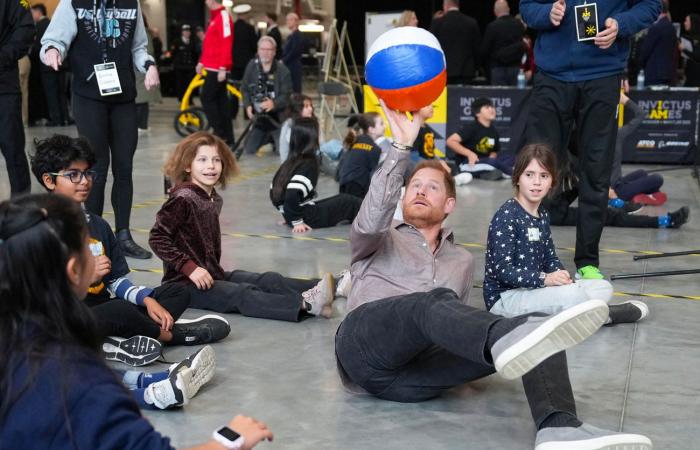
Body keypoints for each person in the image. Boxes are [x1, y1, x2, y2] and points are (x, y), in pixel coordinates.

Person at [334, 102, 653, 449]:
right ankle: (509, 335)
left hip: (415, 377)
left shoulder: (460, 260)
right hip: (364, 349)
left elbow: (450, 324)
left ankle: (558, 425)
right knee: (436, 304)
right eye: (415, 186)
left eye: (433, 187)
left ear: (450, 205)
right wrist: (400, 148)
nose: (421, 191)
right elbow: (372, 216)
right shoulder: (378, 237)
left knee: (534, 324)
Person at [0, 193, 274, 450]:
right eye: (87, 248)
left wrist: (146, 299)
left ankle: (146, 374)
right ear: (74, 270)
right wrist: (229, 440)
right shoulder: (81, 381)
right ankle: (163, 345)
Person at [30, 134, 231, 366]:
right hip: (64, 318)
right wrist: (84, 277)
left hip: (102, 309)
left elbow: (116, 280)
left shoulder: (98, 225)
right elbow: (37, 297)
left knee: (177, 292)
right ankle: (172, 335)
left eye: (87, 173)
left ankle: (118, 340)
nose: (84, 181)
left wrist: (147, 301)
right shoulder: (39, 228)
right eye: (73, 175)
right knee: (120, 310)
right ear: (49, 180)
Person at [520, 0, 660, 280]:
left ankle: (587, 263)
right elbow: (527, 6)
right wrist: (545, 14)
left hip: (602, 76)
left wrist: (621, 24)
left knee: (596, 171)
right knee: (538, 166)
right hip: (552, 76)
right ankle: (532, 258)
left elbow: (650, 5)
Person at [150, 131, 338, 321]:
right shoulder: (183, 198)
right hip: (184, 284)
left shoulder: (212, 198)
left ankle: (331, 286)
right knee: (242, 294)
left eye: (216, 160)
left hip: (212, 273)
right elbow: (157, 238)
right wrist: (190, 268)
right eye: (202, 160)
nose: (211, 166)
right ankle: (309, 305)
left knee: (267, 280)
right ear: (187, 166)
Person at [40, 0, 161, 259]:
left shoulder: (131, 4)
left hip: (123, 97)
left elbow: (139, 47)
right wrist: (52, 50)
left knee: (124, 167)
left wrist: (149, 65)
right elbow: (52, 40)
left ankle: (123, 235)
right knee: (97, 168)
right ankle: (92, 237)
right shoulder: (74, 3)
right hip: (88, 95)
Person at [484, 144, 649, 324]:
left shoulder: (542, 215)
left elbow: (549, 256)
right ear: (517, 178)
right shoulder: (507, 216)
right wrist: (546, 279)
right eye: (529, 175)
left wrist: (560, 274)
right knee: (572, 294)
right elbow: (503, 271)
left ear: (552, 182)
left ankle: (572, 312)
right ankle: (605, 316)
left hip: (534, 289)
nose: (536, 182)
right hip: (505, 299)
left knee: (602, 287)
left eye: (544, 176)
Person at [270, 117, 362, 233]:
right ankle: (379, 217)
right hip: (309, 217)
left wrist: (288, 215)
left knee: (341, 199)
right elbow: (291, 194)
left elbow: (274, 190)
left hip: (297, 212)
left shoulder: (291, 160)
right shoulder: (309, 163)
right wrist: (296, 221)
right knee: (348, 201)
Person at [0, 0, 34, 197]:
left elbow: (25, 30)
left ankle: (22, 208)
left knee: (12, 149)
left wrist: (3, 57)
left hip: (3, 86)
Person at [611, 91, 666, 205]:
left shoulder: (616, 134)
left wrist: (624, 99)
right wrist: (625, 101)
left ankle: (643, 195)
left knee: (641, 173)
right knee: (657, 178)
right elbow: (641, 114)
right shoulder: (614, 135)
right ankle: (644, 195)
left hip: (618, 183)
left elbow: (642, 114)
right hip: (615, 191)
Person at [241, 36, 292, 155]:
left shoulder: (283, 71)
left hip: (277, 119)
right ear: (258, 51)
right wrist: (248, 105)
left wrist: (274, 103)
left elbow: (287, 95)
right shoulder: (251, 66)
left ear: (274, 52)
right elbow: (244, 88)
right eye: (262, 49)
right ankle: (267, 138)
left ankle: (274, 138)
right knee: (249, 149)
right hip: (259, 119)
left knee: (282, 151)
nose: (265, 53)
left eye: (269, 50)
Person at [446, 97, 514, 179]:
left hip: (487, 161)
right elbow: (450, 141)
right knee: (493, 163)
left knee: (511, 157)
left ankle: (496, 172)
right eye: (487, 107)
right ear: (477, 113)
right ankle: (512, 173)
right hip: (469, 163)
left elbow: (494, 151)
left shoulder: (493, 131)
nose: (491, 109)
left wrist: (493, 155)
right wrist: (469, 154)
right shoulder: (471, 128)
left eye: (492, 107)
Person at [196, 0, 235, 146]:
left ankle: (220, 133)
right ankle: (227, 139)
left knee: (207, 97)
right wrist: (202, 61)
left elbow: (227, 42)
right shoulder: (214, 17)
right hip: (212, 66)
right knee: (221, 102)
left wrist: (223, 67)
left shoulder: (223, 16)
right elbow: (210, 43)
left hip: (217, 69)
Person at [31, 3, 70, 127]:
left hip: (47, 66)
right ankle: (65, 118)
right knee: (61, 92)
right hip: (61, 64)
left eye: (32, 12)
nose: (32, 16)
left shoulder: (40, 26)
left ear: (38, 12)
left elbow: (38, 47)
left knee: (51, 94)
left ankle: (56, 119)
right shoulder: (52, 23)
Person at [430, 0, 480, 85]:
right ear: (457, 5)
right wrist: (476, 67)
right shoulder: (471, 23)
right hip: (466, 72)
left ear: (445, 5)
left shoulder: (437, 23)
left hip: (444, 72)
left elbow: (432, 49)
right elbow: (477, 49)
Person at [337, 112, 384, 198]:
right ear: (371, 129)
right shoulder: (374, 149)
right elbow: (373, 176)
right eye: (381, 124)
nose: (384, 126)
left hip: (344, 183)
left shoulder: (354, 142)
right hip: (358, 186)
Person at [481, 0, 526, 86]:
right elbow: (523, 45)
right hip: (516, 69)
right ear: (508, 9)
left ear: (495, 11)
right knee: (516, 97)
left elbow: (485, 50)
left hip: (497, 70)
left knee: (499, 98)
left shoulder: (492, 27)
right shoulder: (518, 25)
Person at [639, 1, 676, 86]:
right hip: (667, 72)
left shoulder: (656, 28)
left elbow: (645, 51)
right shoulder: (672, 27)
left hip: (654, 72)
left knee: (651, 98)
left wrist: (640, 64)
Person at [231, 4, 257, 120]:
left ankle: (232, 113)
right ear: (245, 15)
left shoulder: (232, 28)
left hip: (234, 64)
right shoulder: (250, 29)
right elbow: (254, 46)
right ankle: (248, 113)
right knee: (248, 89)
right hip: (247, 64)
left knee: (233, 89)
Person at [278, 93, 314, 162]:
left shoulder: (314, 122)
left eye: (311, 106)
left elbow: (321, 144)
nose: (310, 109)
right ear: (298, 109)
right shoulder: (289, 125)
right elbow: (284, 149)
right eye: (306, 106)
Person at [171, 24, 199, 101]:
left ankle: (190, 100)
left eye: (188, 31)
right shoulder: (177, 42)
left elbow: (195, 54)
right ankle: (181, 99)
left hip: (190, 67)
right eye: (185, 31)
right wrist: (175, 64)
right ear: (182, 32)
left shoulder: (193, 42)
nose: (187, 33)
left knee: (190, 84)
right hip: (180, 67)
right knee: (180, 84)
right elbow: (173, 54)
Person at [283, 12, 304, 94]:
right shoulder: (291, 36)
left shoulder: (297, 35)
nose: (287, 22)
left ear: (296, 21)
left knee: (295, 90)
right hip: (289, 66)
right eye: (287, 20)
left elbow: (294, 51)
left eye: (290, 20)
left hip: (294, 67)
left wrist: (283, 60)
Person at [680, 14, 700, 87]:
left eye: (686, 21)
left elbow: (697, 56)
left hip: (696, 80)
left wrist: (684, 49)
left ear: (692, 23)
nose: (684, 23)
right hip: (689, 76)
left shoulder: (698, 38)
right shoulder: (689, 38)